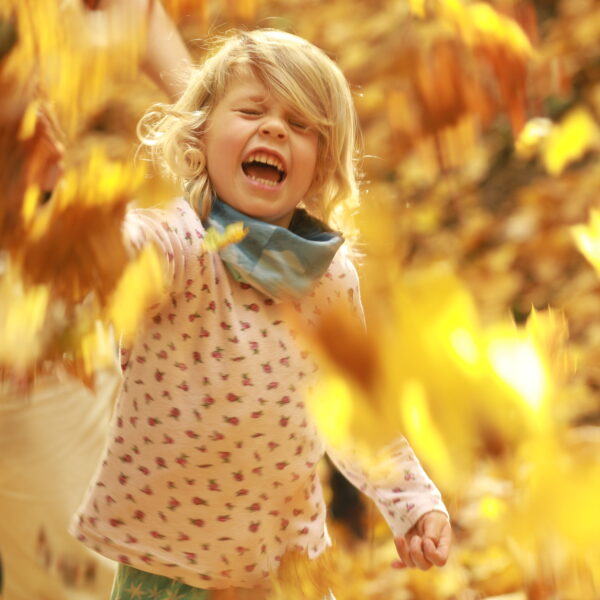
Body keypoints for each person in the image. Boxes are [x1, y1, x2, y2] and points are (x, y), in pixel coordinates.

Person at [70, 29, 452, 600]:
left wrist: (413, 503)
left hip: (287, 568)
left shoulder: (328, 277)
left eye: (299, 125)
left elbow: (352, 410)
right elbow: (134, 248)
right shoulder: (183, 241)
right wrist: (93, 240)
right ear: (200, 134)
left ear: (320, 167)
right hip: (173, 567)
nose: (274, 128)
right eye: (251, 111)